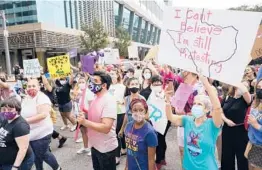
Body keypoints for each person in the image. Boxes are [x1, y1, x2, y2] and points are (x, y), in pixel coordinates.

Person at [166, 74, 223, 170]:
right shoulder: (187, 120)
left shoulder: (212, 125)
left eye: (199, 104)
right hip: (188, 167)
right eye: (194, 104)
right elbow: (170, 117)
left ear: (206, 109)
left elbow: (217, 108)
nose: (195, 106)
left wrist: (206, 83)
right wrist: (167, 101)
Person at [77, 71, 118, 170]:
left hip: (105, 149)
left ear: (103, 85)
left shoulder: (109, 100)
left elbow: (106, 127)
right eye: (91, 80)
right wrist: (84, 115)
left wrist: (85, 122)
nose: (91, 83)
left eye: (95, 81)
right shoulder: (96, 97)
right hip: (95, 145)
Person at [21, 79, 61, 170]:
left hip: (42, 133)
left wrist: (24, 121)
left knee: (43, 154)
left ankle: (57, 168)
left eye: (34, 86)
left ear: (39, 87)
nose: (31, 88)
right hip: (29, 133)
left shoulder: (42, 98)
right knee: (35, 154)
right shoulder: (26, 98)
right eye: (29, 86)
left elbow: (43, 115)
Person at [221, 82, 251, 170]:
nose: (243, 88)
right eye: (241, 86)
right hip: (227, 130)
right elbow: (220, 110)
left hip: (241, 131)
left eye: (246, 87)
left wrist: (239, 81)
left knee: (242, 158)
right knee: (227, 156)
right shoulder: (227, 97)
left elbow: (246, 93)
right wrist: (226, 120)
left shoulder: (246, 100)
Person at [0, 97, 34, 170]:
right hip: (5, 161)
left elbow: (23, 149)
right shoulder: (6, 120)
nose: (6, 112)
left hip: (16, 164)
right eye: (3, 109)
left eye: (10, 109)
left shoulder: (20, 126)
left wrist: (15, 167)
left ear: (17, 110)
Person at [124, 98, 158, 170]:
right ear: (131, 111)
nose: (138, 113)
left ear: (145, 111)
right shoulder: (128, 126)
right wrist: (126, 166)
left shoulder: (150, 133)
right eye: (135, 110)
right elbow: (129, 149)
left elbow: (151, 160)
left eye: (141, 110)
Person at [148, 75, 171, 169]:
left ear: (162, 84)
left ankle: (160, 159)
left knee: (161, 139)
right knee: (156, 140)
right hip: (152, 120)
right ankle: (158, 158)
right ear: (152, 84)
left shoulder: (166, 93)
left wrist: (168, 98)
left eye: (159, 83)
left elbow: (171, 105)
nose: (157, 85)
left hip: (165, 120)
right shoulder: (148, 93)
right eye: (155, 83)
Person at [41, 75, 67, 148]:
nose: (43, 83)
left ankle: (47, 145)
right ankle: (61, 138)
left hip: (48, 109)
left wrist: (42, 75)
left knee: (45, 127)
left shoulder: (50, 89)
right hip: (41, 109)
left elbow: (46, 83)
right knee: (46, 127)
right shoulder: (42, 89)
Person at [71, 76, 94, 155]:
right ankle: (86, 147)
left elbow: (91, 106)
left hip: (87, 115)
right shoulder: (78, 92)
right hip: (79, 115)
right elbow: (75, 103)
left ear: (86, 83)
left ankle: (92, 148)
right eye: (79, 82)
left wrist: (87, 113)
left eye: (83, 82)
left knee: (90, 132)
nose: (81, 84)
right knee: (83, 131)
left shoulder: (89, 92)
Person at [108, 69, 127, 165]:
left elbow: (127, 98)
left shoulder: (123, 87)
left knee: (118, 133)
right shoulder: (107, 87)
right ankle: (123, 149)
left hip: (121, 112)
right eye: (110, 74)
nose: (112, 76)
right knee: (117, 133)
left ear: (117, 75)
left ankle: (117, 155)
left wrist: (123, 101)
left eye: (113, 74)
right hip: (111, 112)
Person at [246, 78, 262, 170]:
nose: (260, 90)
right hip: (252, 144)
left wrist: (257, 126)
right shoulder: (256, 103)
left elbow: (256, 124)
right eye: (259, 87)